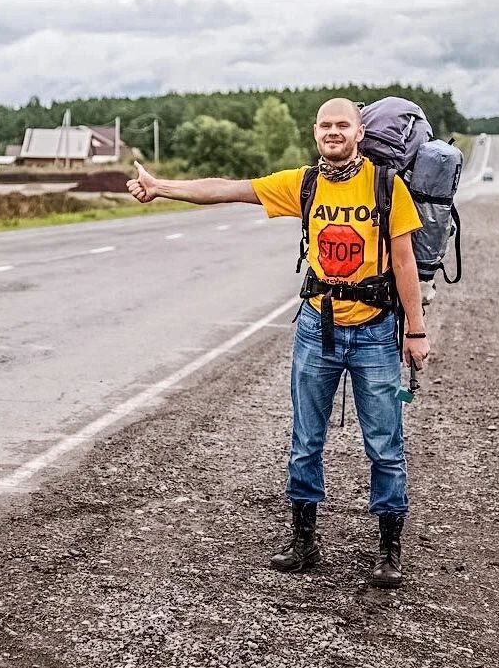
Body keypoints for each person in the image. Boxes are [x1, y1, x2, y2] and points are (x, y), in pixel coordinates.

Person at [126, 98, 430, 588]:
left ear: (359, 131)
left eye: (343, 125)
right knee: (305, 440)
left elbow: (404, 261)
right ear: (315, 133)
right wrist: (162, 187)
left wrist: (415, 329)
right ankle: (304, 541)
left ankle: (389, 549)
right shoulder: (302, 184)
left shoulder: (385, 185)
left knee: (385, 446)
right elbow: (226, 189)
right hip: (317, 327)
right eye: (326, 125)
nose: (334, 132)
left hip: (375, 330)